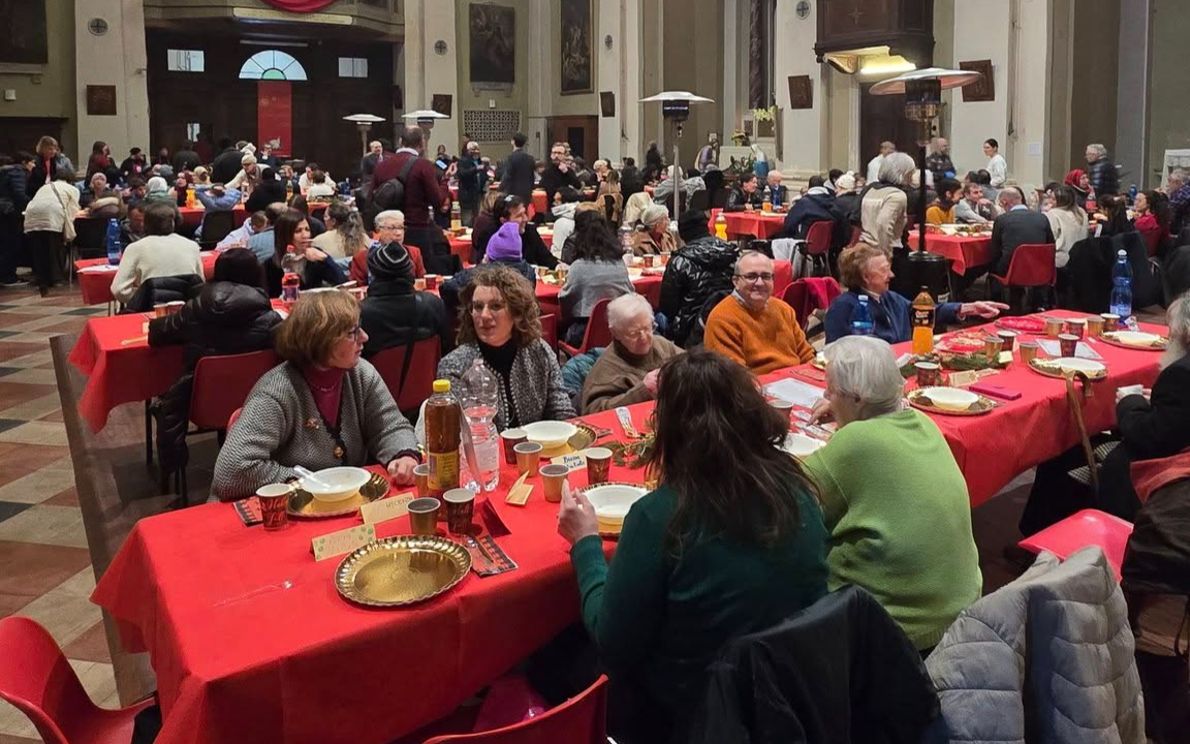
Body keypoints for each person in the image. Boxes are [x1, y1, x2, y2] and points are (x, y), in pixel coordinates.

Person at [557, 348, 828, 739]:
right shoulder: (797, 488)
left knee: (553, 656)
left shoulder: (660, 515)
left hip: (693, 712)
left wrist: (585, 543)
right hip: (787, 694)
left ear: (670, 428)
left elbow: (611, 642)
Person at [803, 335, 981, 652]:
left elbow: (792, 494)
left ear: (858, 398)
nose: (826, 396)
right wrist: (845, 414)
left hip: (895, 631)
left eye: (831, 390)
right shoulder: (924, 422)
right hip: (960, 611)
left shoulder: (856, 443)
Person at [211, 290, 420, 499]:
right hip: (287, 508)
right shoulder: (276, 391)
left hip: (342, 502)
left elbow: (390, 426)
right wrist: (304, 481)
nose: (365, 337)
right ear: (322, 340)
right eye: (352, 333)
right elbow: (232, 471)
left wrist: (404, 454)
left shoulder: (361, 372)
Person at [1021, 294, 1190, 534]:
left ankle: (1045, 534)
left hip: (1159, 472)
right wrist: (1159, 401)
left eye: (1171, 334)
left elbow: (1149, 436)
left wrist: (1130, 402)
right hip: (1175, 455)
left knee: (1066, 447)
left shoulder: (1181, 374)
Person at [148, 248, 282, 475]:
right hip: (258, 401)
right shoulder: (269, 318)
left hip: (201, 405)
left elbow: (157, 335)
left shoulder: (195, 309)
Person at [437, 265, 575, 429]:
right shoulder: (454, 367)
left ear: (517, 313)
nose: (484, 315)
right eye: (478, 307)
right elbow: (458, 432)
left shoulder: (540, 351)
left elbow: (562, 412)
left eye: (496, 306)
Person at [824, 243, 1005, 344]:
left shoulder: (890, 298)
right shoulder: (843, 307)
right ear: (865, 277)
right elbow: (836, 353)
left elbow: (922, 311)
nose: (891, 275)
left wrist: (967, 308)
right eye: (884, 270)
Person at [703, 251, 815, 373]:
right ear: (736, 281)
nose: (760, 283)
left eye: (766, 276)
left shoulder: (784, 309)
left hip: (796, 379)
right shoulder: (722, 319)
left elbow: (807, 356)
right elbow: (734, 376)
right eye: (751, 276)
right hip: (754, 383)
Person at [371, 127, 454, 274]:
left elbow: (372, 197)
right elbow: (438, 201)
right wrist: (444, 181)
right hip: (417, 229)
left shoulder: (381, 166)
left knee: (389, 272)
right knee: (419, 274)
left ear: (400, 141)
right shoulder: (424, 165)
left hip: (388, 230)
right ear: (422, 143)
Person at [580, 293, 682, 413]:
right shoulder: (606, 369)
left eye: (648, 328)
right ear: (615, 333)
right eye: (634, 333)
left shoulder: (661, 345)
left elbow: (692, 366)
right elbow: (593, 413)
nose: (644, 337)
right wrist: (642, 392)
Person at [359, 240, 451, 359]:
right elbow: (446, 347)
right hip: (429, 370)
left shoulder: (361, 313)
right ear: (409, 270)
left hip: (376, 371)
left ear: (374, 273)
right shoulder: (433, 304)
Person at [660, 209, 739, 347]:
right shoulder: (733, 253)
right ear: (707, 228)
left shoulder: (679, 260)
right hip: (731, 322)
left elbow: (667, 308)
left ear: (682, 234)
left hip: (689, 331)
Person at [559, 213, 635, 345]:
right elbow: (630, 292)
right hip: (619, 329)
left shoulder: (578, 266)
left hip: (585, 332)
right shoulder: (619, 263)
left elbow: (565, 301)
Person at [110, 202, 204, 304]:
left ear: (144, 224)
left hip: (151, 308)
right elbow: (199, 283)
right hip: (185, 308)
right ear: (173, 223)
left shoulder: (135, 248)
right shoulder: (192, 246)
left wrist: (142, 297)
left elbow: (119, 290)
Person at [23, 166, 80, 295]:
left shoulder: (44, 187)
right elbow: (72, 210)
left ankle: (41, 278)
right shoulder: (72, 189)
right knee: (54, 248)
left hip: (32, 215)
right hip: (52, 215)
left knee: (38, 249)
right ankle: (56, 278)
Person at [264, 207, 344, 296]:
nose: (305, 235)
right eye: (298, 231)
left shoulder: (316, 256)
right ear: (285, 235)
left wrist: (325, 259)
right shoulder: (270, 265)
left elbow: (342, 283)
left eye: (307, 230)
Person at [471, 194, 556, 268]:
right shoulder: (488, 235)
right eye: (519, 216)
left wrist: (558, 266)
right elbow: (481, 268)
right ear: (503, 220)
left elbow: (548, 260)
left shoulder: (530, 232)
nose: (525, 219)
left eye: (525, 213)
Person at [858, 151, 914, 254]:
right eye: (911, 173)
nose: (912, 176)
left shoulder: (870, 190)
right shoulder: (897, 195)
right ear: (904, 173)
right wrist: (886, 254)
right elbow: (883, 225)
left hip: (866, 248)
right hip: (887, 250)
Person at [989, 187, 1054, 275]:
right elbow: (1051, 245)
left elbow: (995, 251)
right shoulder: (1042, 217)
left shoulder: (1001, 220)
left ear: (1004, 202)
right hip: (1040, 268)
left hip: (1012, 270)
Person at [0, 153, 33, 286]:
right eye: (32, 162)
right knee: (12, 244)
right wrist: (32, 203)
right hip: (10, 212)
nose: (33, 165)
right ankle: (9, 277)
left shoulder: (4, 172)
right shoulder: (18, 173)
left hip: (3, 210)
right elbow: (19, 194)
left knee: (4, 244)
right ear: (24, 163)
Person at [1043, 184, 1089, 270]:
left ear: (1061, 201)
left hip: (1061, 261)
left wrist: (1045, 212)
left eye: (1053, 199)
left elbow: (1050, 239)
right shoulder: (1081, 212)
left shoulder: (1053, 214)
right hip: (1082, 259)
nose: (1049, 201)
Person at [1133, 190, 1172, 258]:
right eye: (1135, 199)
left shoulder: (1145, 222)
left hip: (1144, 257)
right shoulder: (1159, 216)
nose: (1135, 203)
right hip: (1158, 256)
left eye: (1139, 201)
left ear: (1149, 204)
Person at [500, 132, 536, 202]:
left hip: (513, 192)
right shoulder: (530, 158)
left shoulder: (511, 158)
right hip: (527, 192)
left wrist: (500, 188)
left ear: (513, 142)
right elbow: (532, 176)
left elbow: (507, 175)